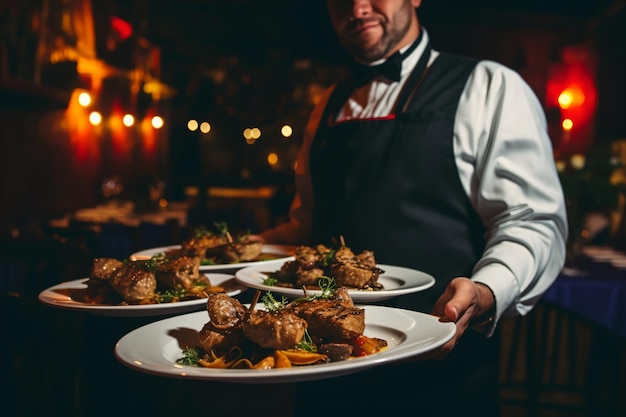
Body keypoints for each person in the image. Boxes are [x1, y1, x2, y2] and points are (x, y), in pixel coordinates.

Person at [253, 0, 568, 416]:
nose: (357, 7)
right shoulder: (326, 105)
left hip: (442, 376)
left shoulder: (490, 86)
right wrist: (244, 251)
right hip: (326, 373)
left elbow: (533, 222)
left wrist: (487, 290)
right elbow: (309, 226)